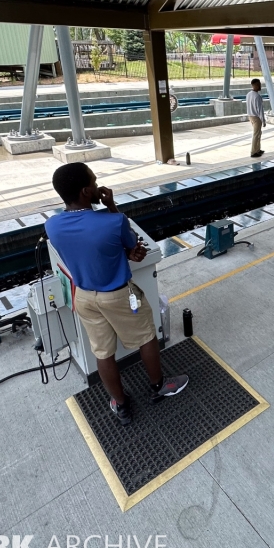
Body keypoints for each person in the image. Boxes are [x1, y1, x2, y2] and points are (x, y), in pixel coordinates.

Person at [44, 163, 188, 425]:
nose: (99, 186)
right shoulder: (113, 221)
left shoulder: (52, 226)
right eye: (95, 182)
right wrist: (111, 204)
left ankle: (120, 403)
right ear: (87, 191)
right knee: (146, 337)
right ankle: (158, 386)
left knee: (102, 353)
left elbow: (88, 251)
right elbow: (132, 242)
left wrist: (121, 253)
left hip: (85, 298)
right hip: (119, 296)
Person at [246, 78, 266, 158]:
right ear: (255, 85)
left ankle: (258, 150)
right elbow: (260, 110)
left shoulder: (248, 94)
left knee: (258, 134)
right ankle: (253, 152)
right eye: (259, 84)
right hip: (256, 117)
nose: (260, 85)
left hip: (250, 116)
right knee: (256, 134)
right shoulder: (257, 96)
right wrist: (263, 121)